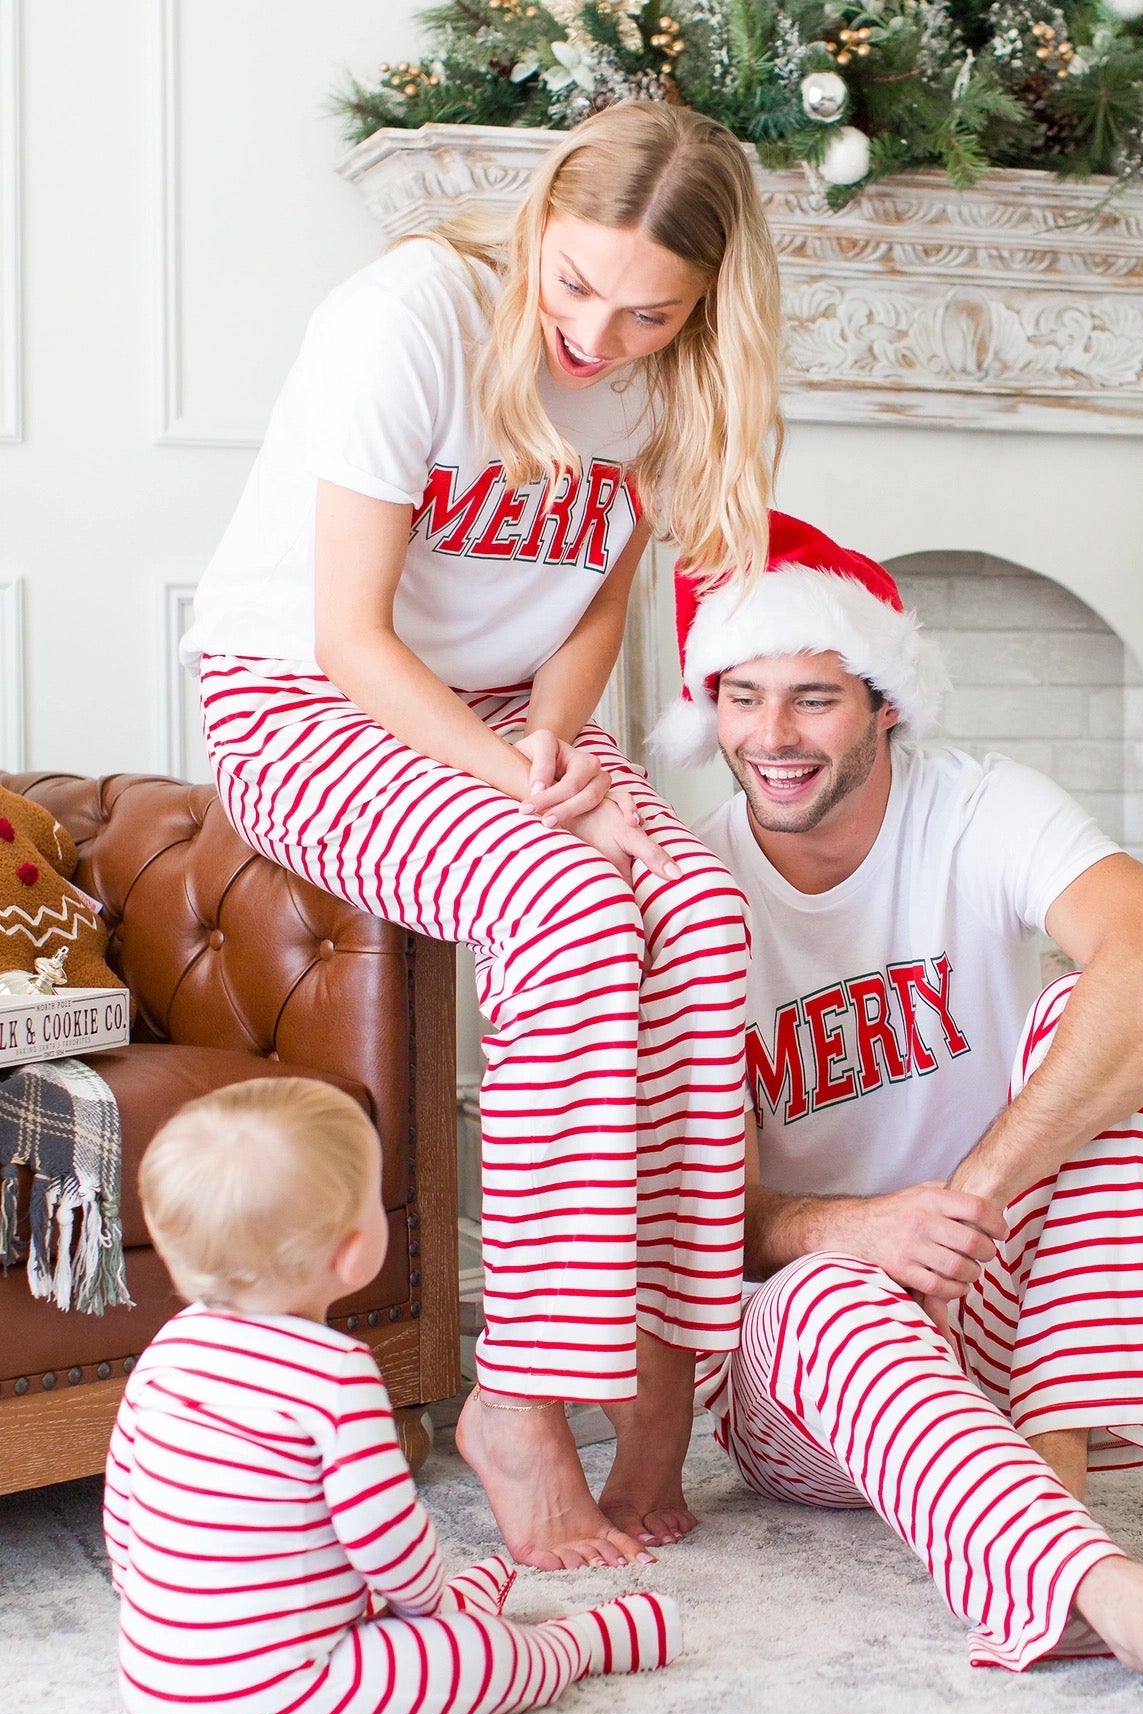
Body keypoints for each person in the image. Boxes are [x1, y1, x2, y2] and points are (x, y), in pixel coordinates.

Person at [181, 101, 782, 1571]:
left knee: (698, 915)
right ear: (534, 228)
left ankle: (662, 1379)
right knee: (572, 907)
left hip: (513, 715)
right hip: (311, 698)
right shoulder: (406, 320)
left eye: (650, 311)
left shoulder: (669, 377)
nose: (598, 332)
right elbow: (350, 634)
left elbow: (590, 610)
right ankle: (517, 1399)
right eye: (572, 283)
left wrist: (559, 748)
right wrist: (523, 791)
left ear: (702, 305)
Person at [651, 512, 1143, 1714]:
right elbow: (700, 1218)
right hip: (810, 1375)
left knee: (1095, 1027)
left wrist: (963, 1204)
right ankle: (1115, 1596)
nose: (769, 739)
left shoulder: (979, 806)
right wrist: (859, 1231)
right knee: (832, 1291)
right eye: (740, 697)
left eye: (813, 698)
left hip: (989, 1298)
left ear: (882, 700)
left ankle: (1039, 1503)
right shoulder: (686, 880)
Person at [102, 1079, 680, 1714]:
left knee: (382, 1613)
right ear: (352, 1254)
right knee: (469, 1660)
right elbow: (385, 1541)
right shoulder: (333, 1374)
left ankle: (469, 1598)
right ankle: (577, 1645)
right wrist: (431, 1608)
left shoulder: (167, 1350)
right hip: (283, 1703)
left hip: (156, 1687)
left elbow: (123, 1518)